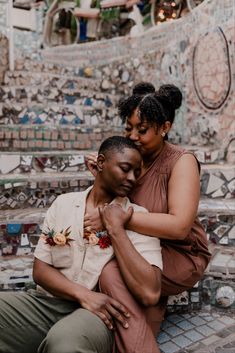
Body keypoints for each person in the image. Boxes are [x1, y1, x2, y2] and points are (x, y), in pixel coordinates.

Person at [0, 135, 163, 353]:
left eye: (136, 172)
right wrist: (84, 295)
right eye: (125, 168)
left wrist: (116, 229)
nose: (132, 178)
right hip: (48, 303)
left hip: (97, 316)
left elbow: (150, 293)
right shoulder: (64, 204)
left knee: (65, 344)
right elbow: (40, 270)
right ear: (102, 163)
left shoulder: (138, 217)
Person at [85, 82, 212, 353]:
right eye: (128, 128)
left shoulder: (181, 161)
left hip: (179, 253)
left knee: (110, 273)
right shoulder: (130, 158)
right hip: (140, 248)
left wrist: (119, 220)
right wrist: (102, 178)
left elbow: (179, 227)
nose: (132, 136)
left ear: (164, 128)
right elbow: (117, 202)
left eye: (142, 130)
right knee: (140, 308)